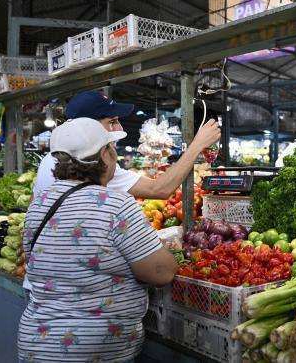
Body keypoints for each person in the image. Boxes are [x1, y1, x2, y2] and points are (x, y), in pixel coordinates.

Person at [18, 118, 178, 362]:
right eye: (111, 148)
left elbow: (44, 262)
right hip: (94, 351)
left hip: (37, 343)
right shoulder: (116, 205)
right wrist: (166, 250)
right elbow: (161, 273)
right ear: (105, 154)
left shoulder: (39, 203)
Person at [33, 90, 221, 198]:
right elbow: (159, 189)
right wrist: (197, 145)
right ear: (88, 126)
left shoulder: (49, 160)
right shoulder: (95, 165)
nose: (120, 127)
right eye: (112, 121)